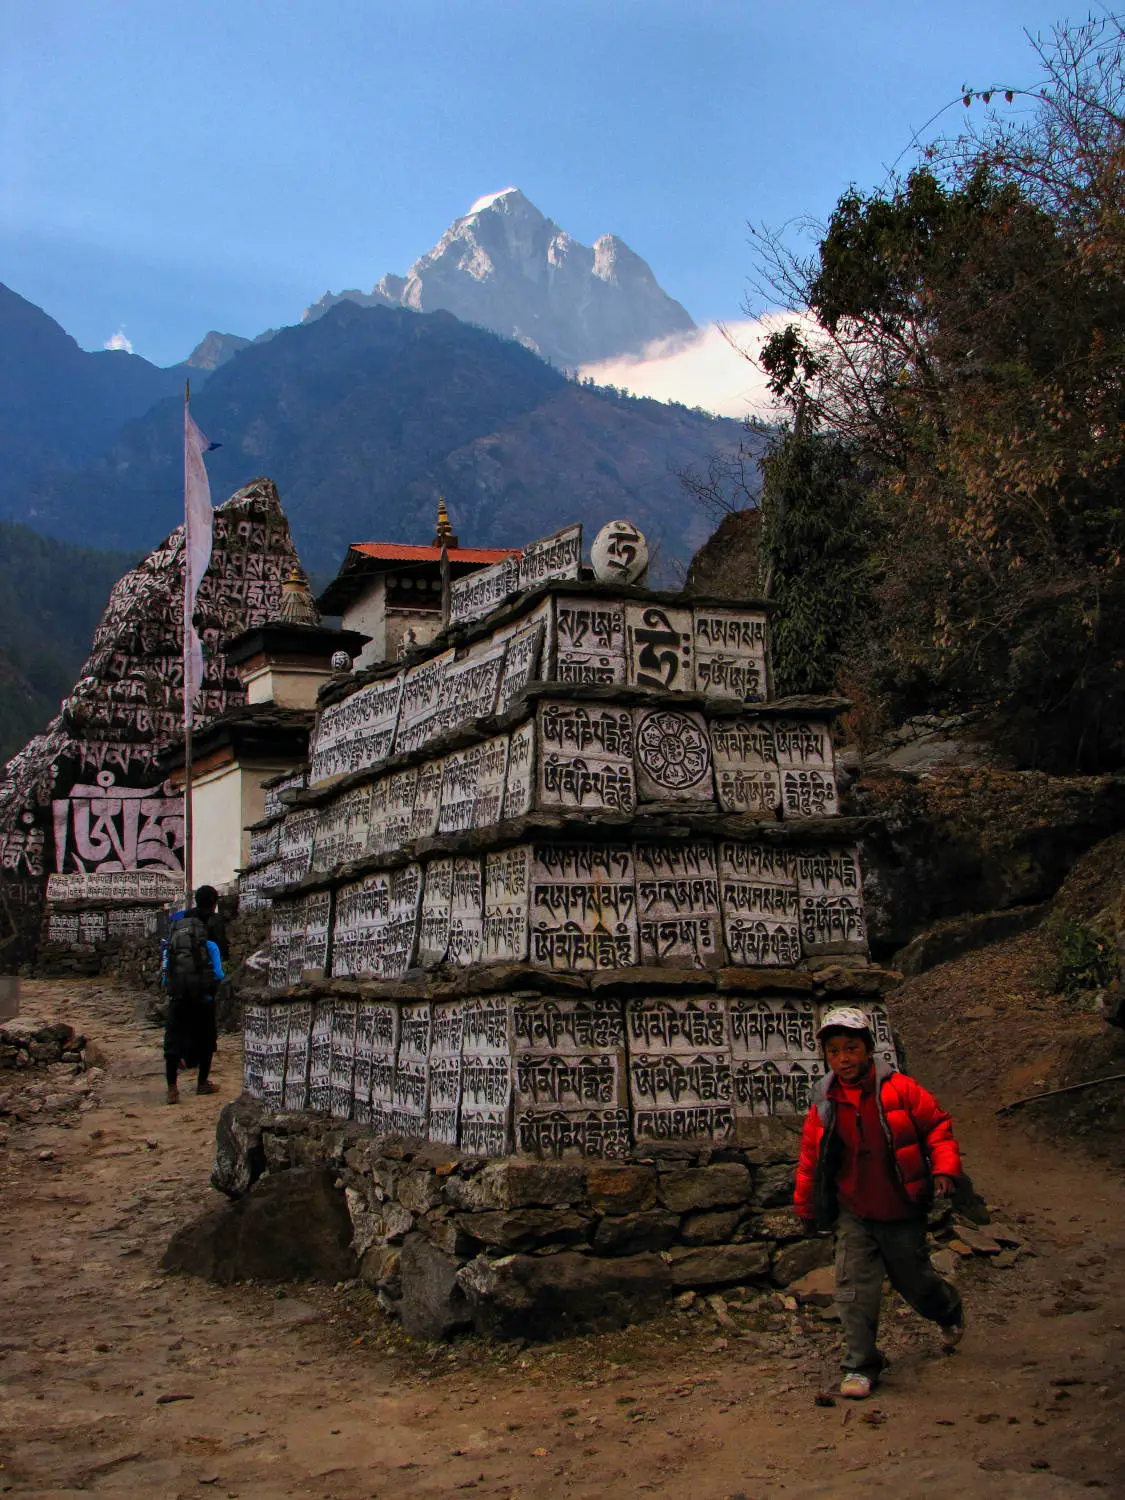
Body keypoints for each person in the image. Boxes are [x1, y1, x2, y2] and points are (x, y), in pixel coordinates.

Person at [794, 1006, 964, 1400]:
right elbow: (809, 1159)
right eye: (834, 1051)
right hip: (853, 1210)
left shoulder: (900, 1090)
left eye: (851, 1048)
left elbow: (938, 1126)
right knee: (852, 1289)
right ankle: (860, 1364)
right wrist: (805, 1206)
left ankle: (948, 1311)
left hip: (900, 1207)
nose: (843, 1058)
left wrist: (944, 1169)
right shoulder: (824, 1100)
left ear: (869, 1049)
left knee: (916, 1281)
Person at [162, 885, 225, 1104]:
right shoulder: (209, 943)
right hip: (203, 999)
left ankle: (172, 1088)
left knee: (173, 1043)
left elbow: (165, 971)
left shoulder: (175, 940)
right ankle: (201, 1083)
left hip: (178, 998)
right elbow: (218, 972)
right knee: (207, 1041)